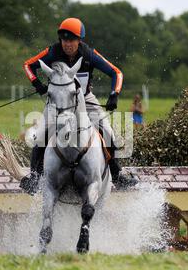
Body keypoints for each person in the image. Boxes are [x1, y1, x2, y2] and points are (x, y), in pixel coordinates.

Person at [19, 17, 138, 194]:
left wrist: (115, 93)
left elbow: (116, 73)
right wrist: (37, 83)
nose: (67, 44)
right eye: (64, 40)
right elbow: (28, 65)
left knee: (107, 130)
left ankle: (117, 173)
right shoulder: (52, 52)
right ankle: (34, 177)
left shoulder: (89, 54)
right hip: (59, 102)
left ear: (79, 40)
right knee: (42, 134)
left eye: (71, 40)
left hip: (85, 99)